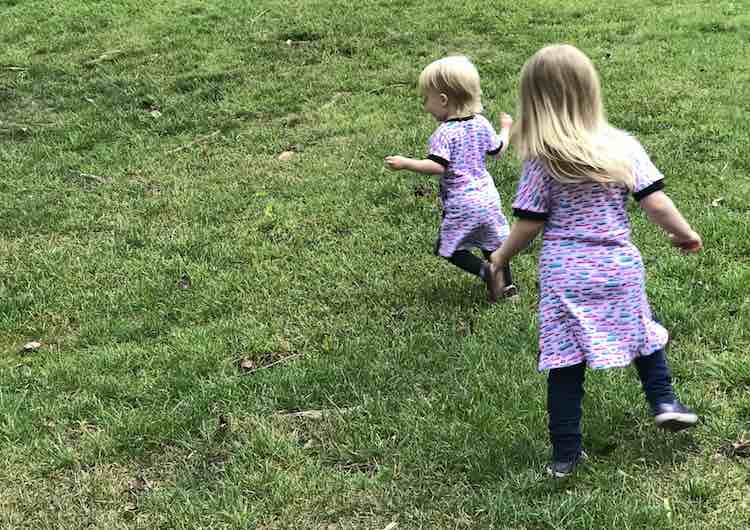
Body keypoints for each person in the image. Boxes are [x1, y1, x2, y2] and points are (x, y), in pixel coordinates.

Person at [488, 44, 702, 477]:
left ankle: (565, 455)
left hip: (564, 272)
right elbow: (656, 203)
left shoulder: (541, 159)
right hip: (619, 266)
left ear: (534, 101)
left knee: (563, 361)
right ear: (590, 92)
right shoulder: (622, 146)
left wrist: (499, 256)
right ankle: (663, 401)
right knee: (643, 334)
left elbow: (528, 225)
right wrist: (685, 234)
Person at [385, 55, 516, 302]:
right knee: (493, 245)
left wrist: (405, 163)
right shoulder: (481, 123)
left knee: (448, 248)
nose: (425, 106)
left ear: (443, 100)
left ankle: (485, 271)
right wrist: (506, 128)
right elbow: (498, 150)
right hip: (488, 198)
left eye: (426, 99)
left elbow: (437, 166)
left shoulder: (444, 134)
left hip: (462, 203)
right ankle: (507, 289)